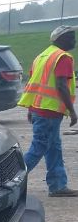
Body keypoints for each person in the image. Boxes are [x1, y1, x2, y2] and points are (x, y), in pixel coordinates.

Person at [18, 25, 77, 197]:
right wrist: (72, 111)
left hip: (40, 110)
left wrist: (31, 109)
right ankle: (9, 181)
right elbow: (60, 85)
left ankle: (58, 186)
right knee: (39, 148)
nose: (74, 41)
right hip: (49, 111)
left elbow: (32, 84)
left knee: (53, 148)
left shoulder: (42, 56)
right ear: (60, 39)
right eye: (71, 37)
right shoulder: (63, 57)